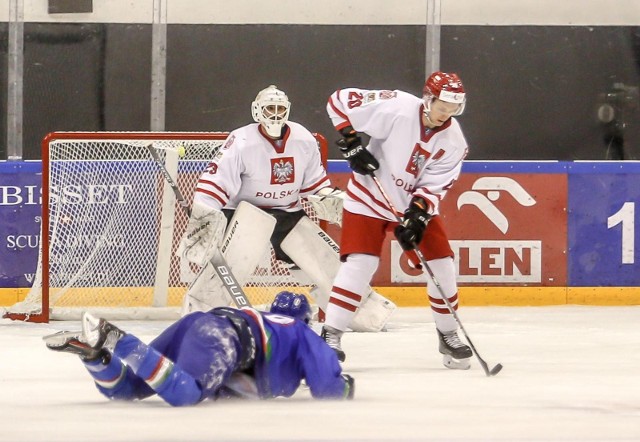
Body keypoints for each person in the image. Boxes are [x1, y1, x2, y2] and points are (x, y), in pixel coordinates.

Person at [178, 84, 395, 332]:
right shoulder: (241, 140)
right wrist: (205, 213)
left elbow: (315, 185)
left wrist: (332, 199)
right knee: (234, 259)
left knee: (321, 257)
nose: (275, 114)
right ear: (257, 111)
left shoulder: (303, 138)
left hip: (286, 210)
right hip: (243, 211)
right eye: (270, 108)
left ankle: (359, 312)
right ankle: (201, 311)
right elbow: (216, 180)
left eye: (280, 108)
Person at [321, 72, 474, 369]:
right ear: (428, 98)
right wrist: (352, 141)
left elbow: (436, 184)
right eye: (442, 106)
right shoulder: (397, 106)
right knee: (361, 263)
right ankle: (331, 334)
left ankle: (448, 334)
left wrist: (417, 215)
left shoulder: (455, 142)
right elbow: (338, 101)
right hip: (369, 196)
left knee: (442, 264)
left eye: (453, 108)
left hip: (408, 205)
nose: (447, 114)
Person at [43, 291, 354, 405]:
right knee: (186, 394)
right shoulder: (301, 332)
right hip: (222, 337)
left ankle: (93, 355)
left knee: (128, 390)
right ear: (305, 319)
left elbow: (240, 385)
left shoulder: (268, 322)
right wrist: (346, 389)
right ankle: (115, 338)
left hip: (200, 324)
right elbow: (327, 386)